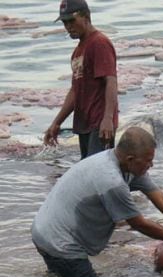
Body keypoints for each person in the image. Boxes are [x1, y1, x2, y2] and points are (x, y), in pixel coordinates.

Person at [31, 126, 163, 277]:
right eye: (148, 161)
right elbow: (138, 223)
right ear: (130, 159)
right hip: (60, 242)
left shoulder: (124, 164)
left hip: (44, 231)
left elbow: (162, 199)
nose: (151, 165)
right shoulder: (111, 181)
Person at [44, 0, 118, 159]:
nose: (68, 26)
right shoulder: (78, 51)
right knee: (87, 171)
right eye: (65, 22)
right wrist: (57, 122)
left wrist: (108, 119)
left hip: (100, 124)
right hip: (84, 124)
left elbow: (110, 81)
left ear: (86, 17)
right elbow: (75, 91)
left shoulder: (99, 43)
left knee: (97, 173)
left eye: (72, 20)